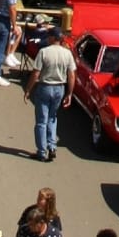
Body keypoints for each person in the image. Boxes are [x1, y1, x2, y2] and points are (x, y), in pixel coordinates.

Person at [23, 26, 76, 162]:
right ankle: (52, 146)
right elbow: (71, 75)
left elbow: (36, 73)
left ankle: (41, 151)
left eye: (49, 36)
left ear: (52, 38)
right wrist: (69, 93)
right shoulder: (67, 54)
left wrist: (28, 89)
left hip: (45, 87)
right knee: (52, 117)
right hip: (59, 88)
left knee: (41, 121)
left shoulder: (44, 52)